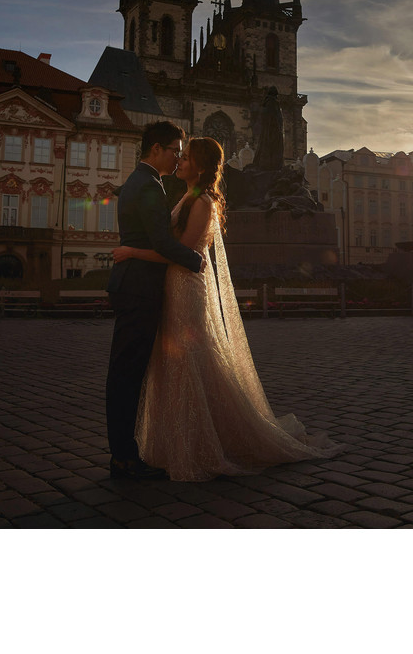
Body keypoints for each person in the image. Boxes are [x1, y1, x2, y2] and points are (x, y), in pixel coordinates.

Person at [114, 136, 340, 481]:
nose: (180, 162)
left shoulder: (202, 201)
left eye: (186, 158)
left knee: (191, 362)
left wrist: (132, 252)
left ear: (200, 166)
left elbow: (181, 253)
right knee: (179, 363)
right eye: (180, 155)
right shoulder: (188, 197)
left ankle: (199, 443)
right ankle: (176, 440)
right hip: (173, 287)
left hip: (185, 288)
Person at [105, 121, 204, 480]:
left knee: (127, 372)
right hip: (138, 287)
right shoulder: (147, 185)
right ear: (157, 149)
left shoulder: (146, 181)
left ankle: (125, 453)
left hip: (134, 284)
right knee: (127, 375)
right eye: (175, 149)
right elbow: (161, 242)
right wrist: (196, 260)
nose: (178, 155)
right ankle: (124, 458)